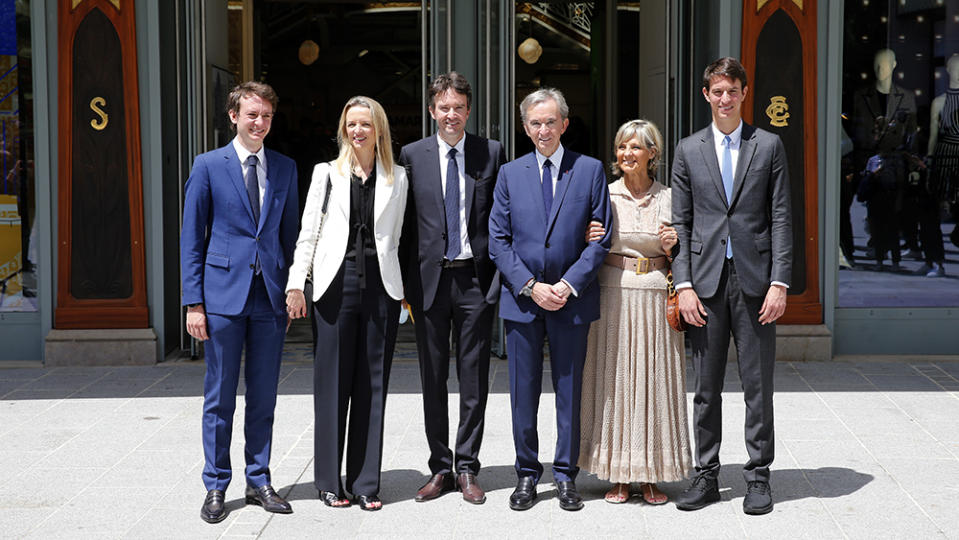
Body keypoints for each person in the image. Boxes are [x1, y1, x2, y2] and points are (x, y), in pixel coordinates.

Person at [670, 57, 792, 515]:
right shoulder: (687, 149)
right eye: (717, 92)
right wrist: (682, 285)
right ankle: (706, 475)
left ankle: (759, 476)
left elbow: (781, 216)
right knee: (705, 387)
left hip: (757, 281)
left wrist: (780, 281)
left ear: (744, 94)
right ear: (706, 95)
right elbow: (680, 223)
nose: (724, 99)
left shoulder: (769, 145)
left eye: (732, 91)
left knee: (758, 385)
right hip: (703, 283)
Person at [488, 87, 612, 512]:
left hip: (571, 299)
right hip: (522, 301)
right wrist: (530, 285)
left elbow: (601, 239)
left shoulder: (590, 170)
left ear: (565, 123)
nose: (544, 129)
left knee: (569, 389)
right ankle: (526, 474)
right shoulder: (509, 174)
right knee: (523, 393)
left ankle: (565, 475)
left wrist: (568, 284)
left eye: (551, 121)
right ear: (526, 128)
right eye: (535, 123)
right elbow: (498, 242)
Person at [180, 81, 299, 523]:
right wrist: (194, 303)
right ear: (234, 116)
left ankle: (259, 478)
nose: (259, 123)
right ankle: (215, 484)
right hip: (221, 299)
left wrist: (292, 289)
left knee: (264, 395)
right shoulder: (209, 165)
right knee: (220, 396)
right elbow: (192, 237)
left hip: (268, 298)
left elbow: (290, 237)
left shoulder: (285, 167)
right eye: (252, 115)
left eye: (266, 116)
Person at [285, 96, 408, 512]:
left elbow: (400, 238)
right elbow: (309, 231)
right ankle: (328, 482)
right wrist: (296, 283)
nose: (358, 131)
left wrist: (405, 291)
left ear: (379, 131)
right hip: (334, 286)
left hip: (380, 287)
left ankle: (366, 483)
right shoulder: (325, 174)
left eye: (365, 124)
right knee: (332, 385)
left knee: (373, 385)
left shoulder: (398, 178)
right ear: (344, 129)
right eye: (351, 124)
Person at [398, 72, 506, 505]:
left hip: (474, 282)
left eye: (459, 107)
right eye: (444, 107)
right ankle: (439, 467)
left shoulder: (490, 153)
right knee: (432, 377)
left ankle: (467, 467)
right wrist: (404, 286)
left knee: (474, 377)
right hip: (429, 284)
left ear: (468, 110)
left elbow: (502, 218)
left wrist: (497, 280)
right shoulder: (411, 155)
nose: (451, 115)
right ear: (432, 111)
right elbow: (403, 226)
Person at [579, 119, 692, 506]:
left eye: (636, 147)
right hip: (612, 295)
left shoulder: (670, 197)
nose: (627, 154)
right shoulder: (604, 196)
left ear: (652, 154)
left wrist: (675, 243)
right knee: (615, 381)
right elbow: (582, 241)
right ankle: (619, 475)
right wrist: (588, 235)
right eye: (622, 146)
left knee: (654, 381)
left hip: (657, 296)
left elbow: (690, 251)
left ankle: (652, 476)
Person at [850, 48, 917, 268]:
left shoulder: (905, 97)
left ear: (895, 65)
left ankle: (894, 247)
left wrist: (912, 162)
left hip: (896, 161)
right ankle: (876, 245)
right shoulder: (861, 96)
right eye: (878, 63)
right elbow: (855, 127)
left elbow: (912, 132)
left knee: (894, 208)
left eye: (886, 63)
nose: (881, 69)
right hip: (868, 158)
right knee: (874, 206)